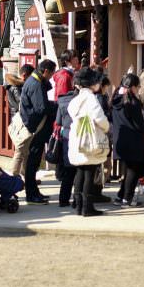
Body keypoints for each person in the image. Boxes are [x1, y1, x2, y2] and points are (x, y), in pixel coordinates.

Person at [66, 67, 110, 217]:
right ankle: (87, 207)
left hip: (77, 136)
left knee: (80, 171)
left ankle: (78, 205)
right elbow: (99, 118)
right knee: (89, 173)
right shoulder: (91, 98)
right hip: (90, 138)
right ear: (92, 83)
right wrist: (106, 127)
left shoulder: (76, 99)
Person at [19, 59, 56, 204]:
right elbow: (42, 108)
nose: (51, 76)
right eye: (51, 73)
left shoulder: (34, 80)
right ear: (46, 71)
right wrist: (56, 106)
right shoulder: (35, 84)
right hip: (36, 128)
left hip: (35, 126)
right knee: (32, 162)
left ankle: (34, 192)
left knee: (33, 163)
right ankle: (31, 194)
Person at [111, 73, 144, 207]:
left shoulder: (115, 100)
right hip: (134, 141)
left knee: (127, 170)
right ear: (132, 87)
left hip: (120, 140)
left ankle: (121, 196)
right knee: (133, 171)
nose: (139, 89)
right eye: (138, 86)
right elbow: (140, 124)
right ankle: (127, 198)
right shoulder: (133, 103)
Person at [53, 70, 79, 209]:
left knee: (68, 172)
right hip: (80, 137)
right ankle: (77, 200)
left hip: (66, 138)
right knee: (80, 172)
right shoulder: (82, 100)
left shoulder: (62, 100)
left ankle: (63, 200)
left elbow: (58, 121)